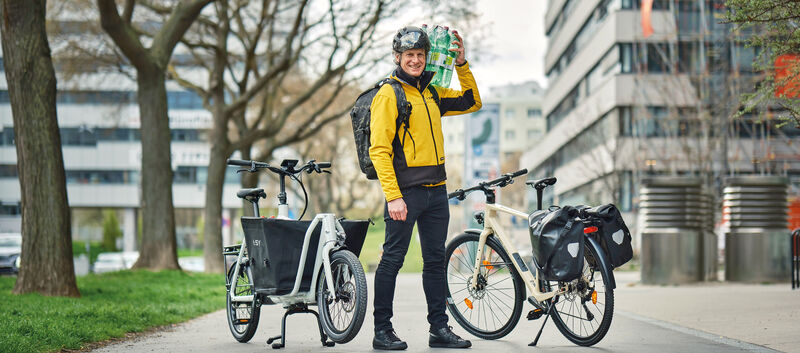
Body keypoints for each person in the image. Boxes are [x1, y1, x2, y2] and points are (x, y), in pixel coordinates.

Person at [369, 26, 482, 350]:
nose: (415, 61)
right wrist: (393, 195)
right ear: (398, 58)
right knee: (392, 260)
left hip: (437, 192)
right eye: (409, 56)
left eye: (420, 55)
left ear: (426, 56)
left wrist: (461, 65)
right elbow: (379, 150)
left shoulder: (432, 92)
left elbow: (472, 101)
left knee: (435, 262)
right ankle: (382, 331)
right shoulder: (389, 94)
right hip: (405, 194)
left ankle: (439, 330)